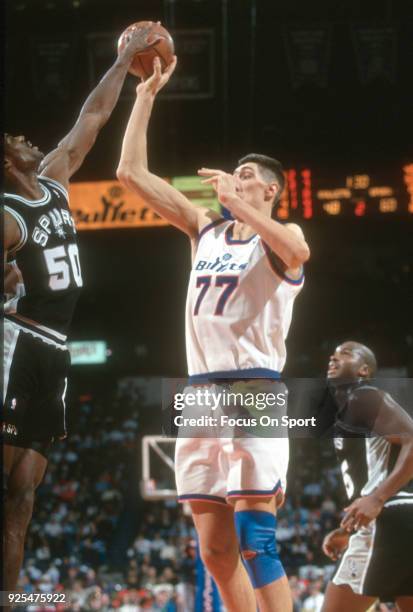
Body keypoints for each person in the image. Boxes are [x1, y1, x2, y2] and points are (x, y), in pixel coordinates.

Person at [117, 57, 310, 612]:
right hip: (199, 395)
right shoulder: (206, 231)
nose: (239, 178)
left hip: (253, 388)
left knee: (257, 541)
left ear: (272, 190)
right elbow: (131, 175)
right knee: (216, 552)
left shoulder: (281, 235)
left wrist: (237, 203)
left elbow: (298, 253)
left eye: (250, 176)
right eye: (237, 173)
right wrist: (146, 95)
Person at [2, 27, 159, 593]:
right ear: (5, 160)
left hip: (56, 349)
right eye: (15, 138)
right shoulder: (7, 212)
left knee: (24, 496)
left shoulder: (55, 178)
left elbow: (93, 116)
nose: (26, 138)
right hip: (15, 341)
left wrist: (121, 60)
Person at [321, 341, 413, 612]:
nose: (333, 357)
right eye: (333, 354)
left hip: (389, 516)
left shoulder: (364, 396)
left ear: (363, 370)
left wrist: (377, 498)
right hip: (400, 519)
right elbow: (369, 478)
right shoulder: (351, 410)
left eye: (345, 353)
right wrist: (347, 529)